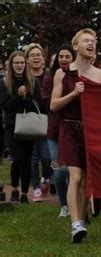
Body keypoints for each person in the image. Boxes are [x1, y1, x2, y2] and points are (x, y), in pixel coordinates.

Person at [51, 28, 101, 243]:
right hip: (69, 128)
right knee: (76, 177)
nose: (91, 44)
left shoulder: (99, 74)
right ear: (76, 46)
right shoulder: (62, 72)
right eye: (86, 41)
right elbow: (54, 105)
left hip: (91, 130)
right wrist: (74, 93)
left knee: (86, 182)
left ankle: (80, 222)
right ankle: (74, 224)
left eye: (93, 41)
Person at [0, 51, 41, 204]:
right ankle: (15, 189)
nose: (19, 66)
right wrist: (18, 96)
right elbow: (6, 106)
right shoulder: (4, 83)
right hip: (12, 127)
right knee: (17, 159)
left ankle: (24, 193)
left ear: (26, 64)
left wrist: (25, 97)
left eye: (22, 63)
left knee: (27, 160)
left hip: (29, 126)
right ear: (11, 65)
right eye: (16, 63)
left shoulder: (34, 82)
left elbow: (38, 106)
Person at [42, 44, 75, 217]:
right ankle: (64, 204)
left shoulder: (77, 78)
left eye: (67, 56)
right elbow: (50, 104)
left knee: (74, 173)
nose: (63, 60)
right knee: (60, 172)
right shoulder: (50, 79)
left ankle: (76, 205)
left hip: (73, 132)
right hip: (54, 132)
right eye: (60, 57)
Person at [25, 43, 53, 203]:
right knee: (32, 158)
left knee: (47, 157)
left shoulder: (49, 75)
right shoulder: (24, 77)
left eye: (38, 55)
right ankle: (35, 188)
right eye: (32, 55)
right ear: (27, 59)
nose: (36, 58)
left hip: (47, 118)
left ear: (43, 59)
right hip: (28, 120)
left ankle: (46, 178)